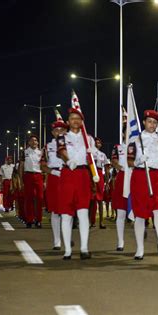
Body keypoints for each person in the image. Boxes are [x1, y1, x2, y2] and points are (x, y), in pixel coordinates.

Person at [128, 110, 158, 260]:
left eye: (155, 122)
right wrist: (137, 161)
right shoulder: (136, 140)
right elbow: (129, 161)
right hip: (140, 175)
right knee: (140, 214)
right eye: (150, 121)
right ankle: (139, 249)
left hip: (156, 176)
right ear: (144, 122)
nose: (152, 124)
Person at [57, 106, 97, 260]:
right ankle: (67, 250)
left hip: (82, 175)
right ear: (68, 121)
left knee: (82, 212)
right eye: (72, 118)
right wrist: (69, 160)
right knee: (66, 214)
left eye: (78, 119)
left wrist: (94, 156)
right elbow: (61, 151)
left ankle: (84, 248)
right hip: (68, 174)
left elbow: (93, 157)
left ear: (82, 122)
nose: (75, 121)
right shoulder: (62, 137)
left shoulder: (88, 139)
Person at [41, 115, 68, 251]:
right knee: (55, 211)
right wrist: (53, 172)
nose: (59, 133)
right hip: (54, 177)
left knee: (67, 210)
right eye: (57, 130)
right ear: (53, 133)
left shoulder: (71, 145)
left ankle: (66, 238)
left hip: (68, 176)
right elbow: (42, 166)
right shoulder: (47, 147)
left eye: (62, 130)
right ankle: (57, 240)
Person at [20, 135, 44, 228]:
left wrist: (45, 180)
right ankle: (29, 220)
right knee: (28, 199)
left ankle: (38, 220)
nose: (34, 142)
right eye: (32, 140)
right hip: (28, 176)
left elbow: (44, 166)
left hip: (38, 176)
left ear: (38, 142)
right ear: (29, 142)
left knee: (40, 198)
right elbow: (21, 166)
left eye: (36, 140)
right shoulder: (25, 152)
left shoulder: (41, 152)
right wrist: (21, 180)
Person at [111, 141, 130, 251]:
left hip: (135, 176)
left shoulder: (139, 146)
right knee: (121, 212)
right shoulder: (117, 147)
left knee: (138, 212)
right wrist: (120, 167)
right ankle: (120, 241)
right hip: (122, 178)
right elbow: (114, 161)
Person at [89, 137, 108, 229]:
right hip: (92, 172)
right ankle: (91, 221)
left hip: (100, 174)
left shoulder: (102, 155)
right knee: (91, 200)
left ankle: (101, 221)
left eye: (99, 142)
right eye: (96, 142)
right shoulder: (90, 153)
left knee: (100, 200)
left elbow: (107, 169)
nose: (98, 144)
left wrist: (107, 182)